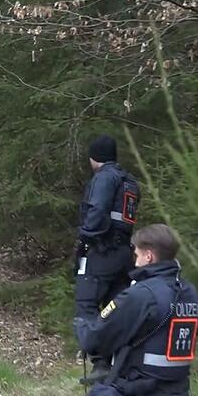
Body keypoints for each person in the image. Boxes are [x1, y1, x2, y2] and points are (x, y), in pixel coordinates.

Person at [74, 224, 198, 396]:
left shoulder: (141, 295)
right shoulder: (191, 293)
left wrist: (83, 321)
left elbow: (96, 338)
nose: (134, 261)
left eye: (136, 255)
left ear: (149, 256)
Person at [74, 134, 140, 380]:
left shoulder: (104, 178)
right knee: (116, 307)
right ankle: (122, 363)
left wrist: (85, 237)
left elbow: (97, 211)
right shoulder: (130, 182)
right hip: (124, 253)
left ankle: (100, 363)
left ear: (94, 158)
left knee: (87, 303)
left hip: (102, 251)